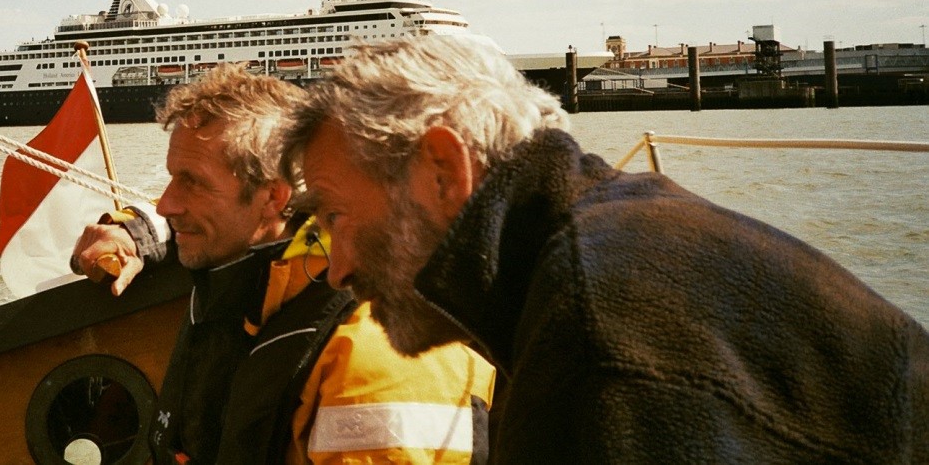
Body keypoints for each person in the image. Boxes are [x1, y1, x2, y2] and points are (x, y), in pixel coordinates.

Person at [279, 35, 929, 464]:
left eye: (336, 215)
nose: (335, 269)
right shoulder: (620, 228)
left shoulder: (597, 333)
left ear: (444, 170)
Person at [71, 64, 495, 465]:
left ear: (274, 197)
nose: (167, 203)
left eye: (193, 182)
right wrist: (138, 230)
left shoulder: (381, 354)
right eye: (172, 177)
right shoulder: (241, 281)